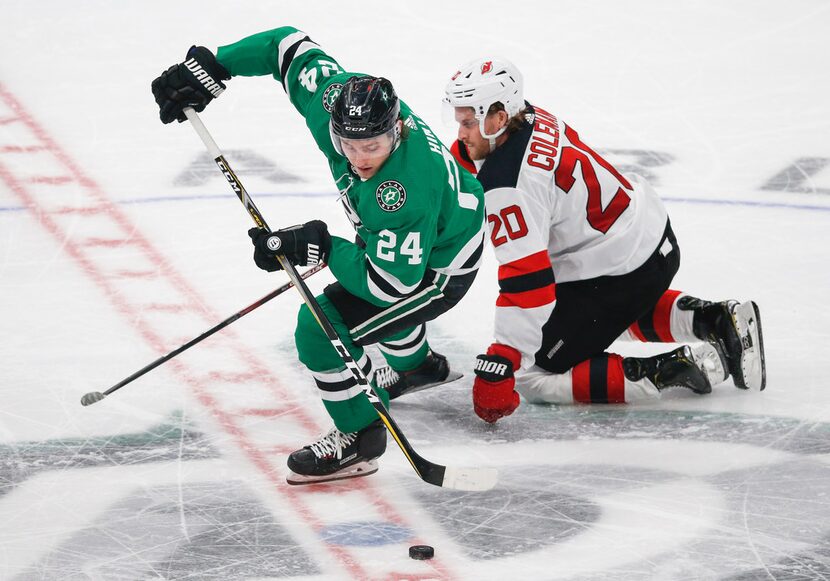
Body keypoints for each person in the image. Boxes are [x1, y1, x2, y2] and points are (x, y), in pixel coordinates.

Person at [151, 29, 485, 483]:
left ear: (397, 128)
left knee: (319, 328)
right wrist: (214, 64)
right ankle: (417, 366)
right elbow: (286, 49)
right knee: (375, 278)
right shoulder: (335, 103)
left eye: (373, 146)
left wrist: (322, 246)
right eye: (349, 145)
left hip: (439, 269)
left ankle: (360, 435)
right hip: (439, 226)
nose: (361, 158)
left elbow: (391, 286)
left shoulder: (401, 194)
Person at [442, 58, 766, 422]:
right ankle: (713, 319)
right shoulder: (531, 116)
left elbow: (528, 284)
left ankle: (671, 373)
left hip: (620, 271)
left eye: (468, 122)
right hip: (649, 238)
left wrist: (505, 358)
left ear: (498, 118)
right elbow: (476, 160)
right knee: (587, 318)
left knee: (535, 372)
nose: (461, 133)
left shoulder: (509, 188)